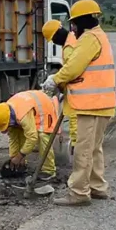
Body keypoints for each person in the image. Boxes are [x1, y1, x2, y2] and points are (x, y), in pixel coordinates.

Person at [42, 0, 116, 206]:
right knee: (94, 148)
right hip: (102, 104)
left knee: (83, 149)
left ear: (83, 20)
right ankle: (97, 186)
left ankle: (79, 193)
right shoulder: (100, 37)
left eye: (74, 23)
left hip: (91, 105)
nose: (72, 28)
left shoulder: (90, 39)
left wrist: (55, 80)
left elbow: (74, 67)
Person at [0, 90, 59, 181]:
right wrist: (14, 159)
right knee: (18, 131)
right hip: (30, 109)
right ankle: (21, 165)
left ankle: (49, 171)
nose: (4, 130)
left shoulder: (22, 114)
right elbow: (13, 138)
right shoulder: (7, 112)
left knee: (42, 136)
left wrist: (20, 156)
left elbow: (32, 138)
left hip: (45, 110)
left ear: (8, 119)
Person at [42, 19, 79, 154]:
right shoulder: (71, 41)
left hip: (77, 93)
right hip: (74, 91)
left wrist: (56, 80)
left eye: (53, 39)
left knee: (75, 122)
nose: (54, 43)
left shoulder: (69, 46)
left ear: (58, 33)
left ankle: (77, 153)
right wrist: (62, 86)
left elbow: (71, 70)